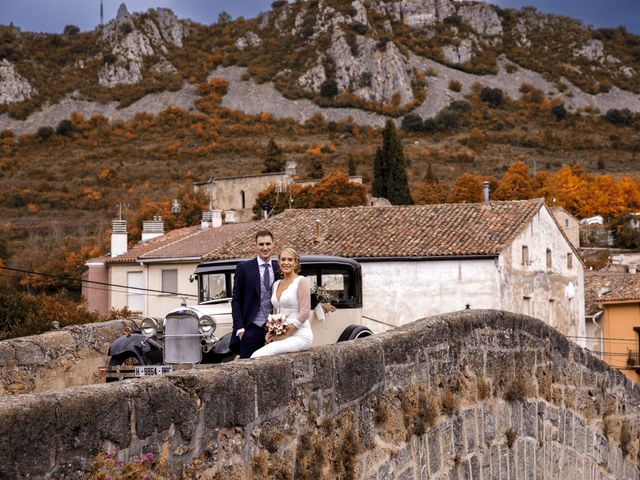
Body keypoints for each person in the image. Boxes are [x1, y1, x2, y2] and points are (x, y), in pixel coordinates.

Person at [251, 246, 313, 358]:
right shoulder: (276, 284)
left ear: (296, 263)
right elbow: (275, 315)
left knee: (259, 354)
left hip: (300, 334)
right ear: (279, 262)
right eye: (283, 259)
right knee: (262, 352)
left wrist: (287, 332)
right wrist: (271, 333)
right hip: (282, 335)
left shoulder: (301, 281)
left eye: (290, 260)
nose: (286, 263)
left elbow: (305, 313)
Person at [230, 230, 279, 359]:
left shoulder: (279, 268)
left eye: (268, 244)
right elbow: (236, 300)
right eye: (261, 244)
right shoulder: (244, 268)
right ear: (256, 245)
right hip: (250, 328)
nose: (265, 248)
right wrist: (240, 330)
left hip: (275, 329)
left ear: (274, 244)